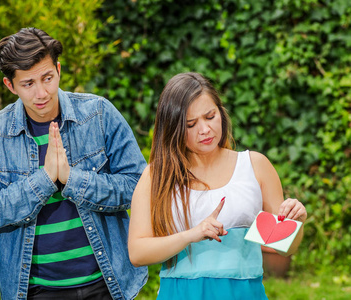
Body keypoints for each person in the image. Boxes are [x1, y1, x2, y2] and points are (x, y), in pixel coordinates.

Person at [0, 27, 148, 300]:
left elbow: (139, 186)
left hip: (108, 283)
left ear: (58, 70)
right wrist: (44, 181)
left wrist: (72, 179)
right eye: (28, 84)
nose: (42, 93)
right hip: (37, 290)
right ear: (9, 85)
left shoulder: (98, 113)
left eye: (48, 78)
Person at [128, 72, 307, 299]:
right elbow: (137, 252)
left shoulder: (255, 166)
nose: (205, 130)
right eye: (191, 124)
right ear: (173, 128)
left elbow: (284, 247)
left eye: (210, 116)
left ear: (221, 113)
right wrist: (191, 235)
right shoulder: (157, 175)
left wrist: (296, 223)